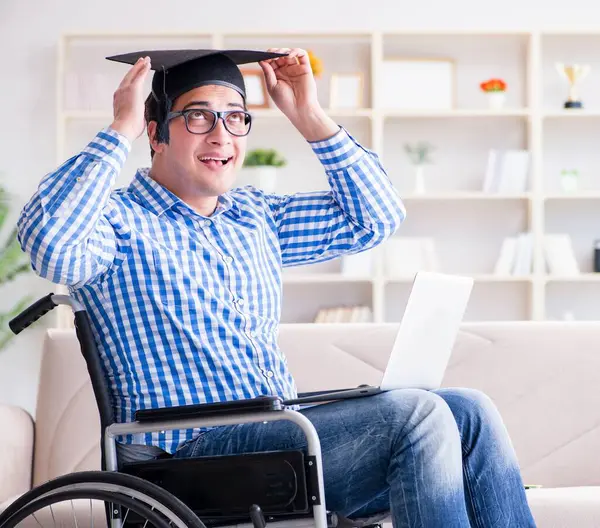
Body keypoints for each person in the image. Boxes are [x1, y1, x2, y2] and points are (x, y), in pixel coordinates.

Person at [17, 46, 536, 527]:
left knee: (469, 410)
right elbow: (50, 243)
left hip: (278, 443)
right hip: (188, 464)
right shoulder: (115, 223)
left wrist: (308, 115)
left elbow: (377, 218)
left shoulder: (256, 217)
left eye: (236, 118)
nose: (221, 135)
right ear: (156, 133)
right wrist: (118, 129)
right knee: (417, 415)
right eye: (198, 116)